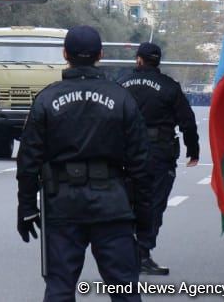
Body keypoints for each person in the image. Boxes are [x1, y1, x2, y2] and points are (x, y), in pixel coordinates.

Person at [16, 26, 151, 302]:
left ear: (65, 54)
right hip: (112, 207)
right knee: (125, 290)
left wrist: (27, 207)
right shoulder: (121, 98)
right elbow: (141, 164)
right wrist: (145, 216)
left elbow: (29, 159)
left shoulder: (46, 99)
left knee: (60, 289)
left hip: (62, 206)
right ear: (100, 55)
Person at [116, 41, 201, 275]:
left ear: (138, 59)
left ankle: (123, 253)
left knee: (125, 203)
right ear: (158, 61)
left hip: (125, 152)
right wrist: (193, 151)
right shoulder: (169, 87)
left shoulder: (120, 84)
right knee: (153, 205)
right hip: (158, 154)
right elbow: (187, 121)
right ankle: (142, 252)